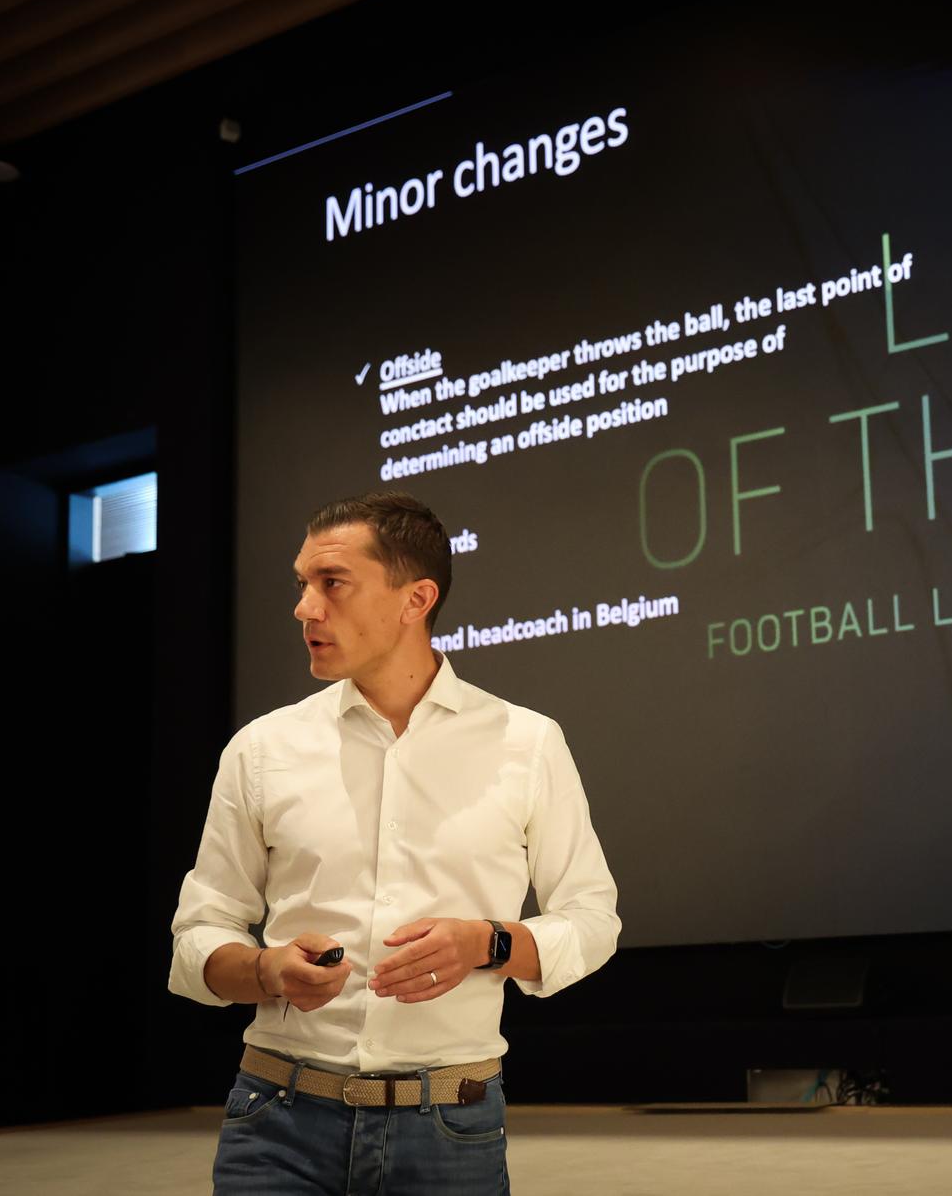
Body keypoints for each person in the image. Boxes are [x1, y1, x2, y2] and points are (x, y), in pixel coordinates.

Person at [169, 492, 620, 1194]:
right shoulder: (261, 749)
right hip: (277, 1120)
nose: (304, 608)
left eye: (332, 583)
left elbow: (592, 920)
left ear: (416, 599)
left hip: (451, 1127)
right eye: (302, 583)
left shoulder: (527, 743)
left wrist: (487, 943)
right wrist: (266, 969)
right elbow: (199, 934)